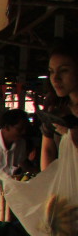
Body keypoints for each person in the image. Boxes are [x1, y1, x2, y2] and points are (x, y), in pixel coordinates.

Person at [40, 43, 78, 171]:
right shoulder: (54, 105)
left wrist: (70, 133)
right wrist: (46, 183)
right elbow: (48, 150)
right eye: (51, 71)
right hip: (65, 185)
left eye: (64, 70)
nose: (55, 78)